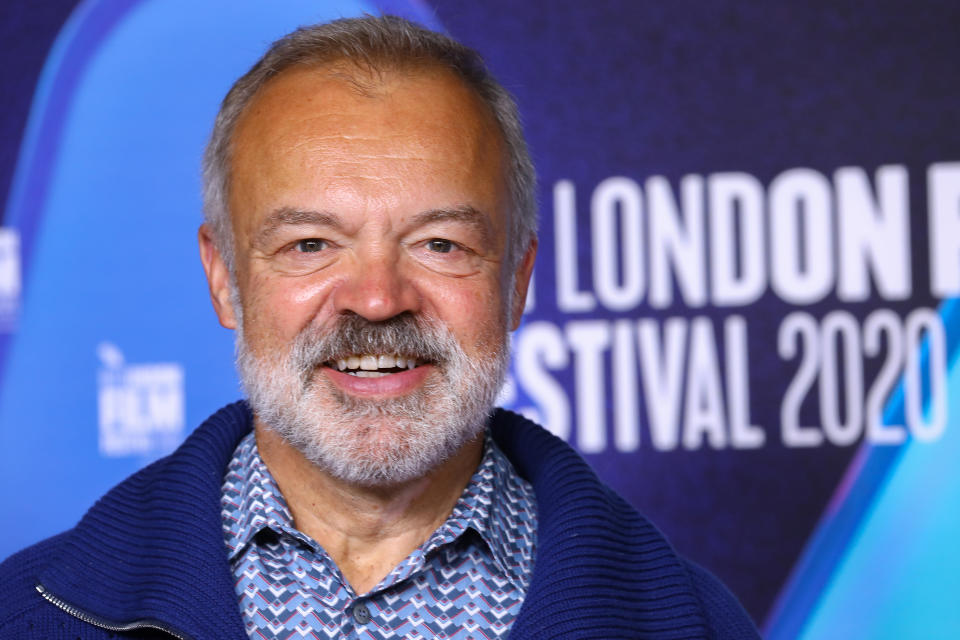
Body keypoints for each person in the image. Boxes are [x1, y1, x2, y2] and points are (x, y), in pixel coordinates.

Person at [0, 15, 759, 640]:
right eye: (310, 244)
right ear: (225, 277)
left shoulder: (697, 626)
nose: (375, 299)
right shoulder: (25, 618)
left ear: (517, 282)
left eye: (439, 244)